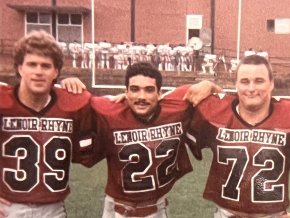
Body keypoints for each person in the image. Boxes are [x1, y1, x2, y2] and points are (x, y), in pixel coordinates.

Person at [61, 61, 221, 217]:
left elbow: (214, 92)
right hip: (118, 210)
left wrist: (208, 83)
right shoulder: (109, 109)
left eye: (149, 90)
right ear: (126, 92)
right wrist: (69, 83)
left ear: (160, 94)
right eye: (135, 90)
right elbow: (77, 102)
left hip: (157, 208)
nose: (141, 96)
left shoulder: (177, 105)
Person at [0, 30, 97, 218]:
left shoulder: (71, 103)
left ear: (56, 72)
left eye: (46, 66)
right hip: (8, 208)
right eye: (31, 64)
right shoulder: (4, 102)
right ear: (19, 68)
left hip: (53, 208)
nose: (38, 71)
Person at [186, 55, 290, 217]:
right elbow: (174, 104)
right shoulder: (214, 113)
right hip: (227, 214)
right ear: (236, 85)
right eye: (244, 81)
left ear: (272, 84)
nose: (251, 88)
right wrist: (209, 84)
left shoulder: (287, 115)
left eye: (259, 81)